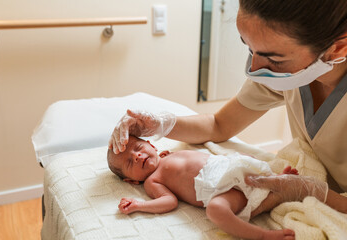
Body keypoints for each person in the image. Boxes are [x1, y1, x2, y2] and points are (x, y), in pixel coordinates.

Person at [109, 0, 347, 216]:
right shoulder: (285, 77)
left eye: (273, 59)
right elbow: (219, 125)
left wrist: (315, 192)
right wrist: (160, 124)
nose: (254, 68)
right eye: (249, 48)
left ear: (338, 49)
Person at [108, 135, 299, 240]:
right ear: (132, 181)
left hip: (228, 167)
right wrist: (139, 205)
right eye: (129, 163)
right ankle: (263, 235)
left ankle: (275, 180)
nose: (137, 157)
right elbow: (168, 201)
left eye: (139, 148)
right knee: (216, 210)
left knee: (242, 156)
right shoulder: (152, 181)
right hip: (220, 190)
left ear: (151, 144)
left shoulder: (169, 154)